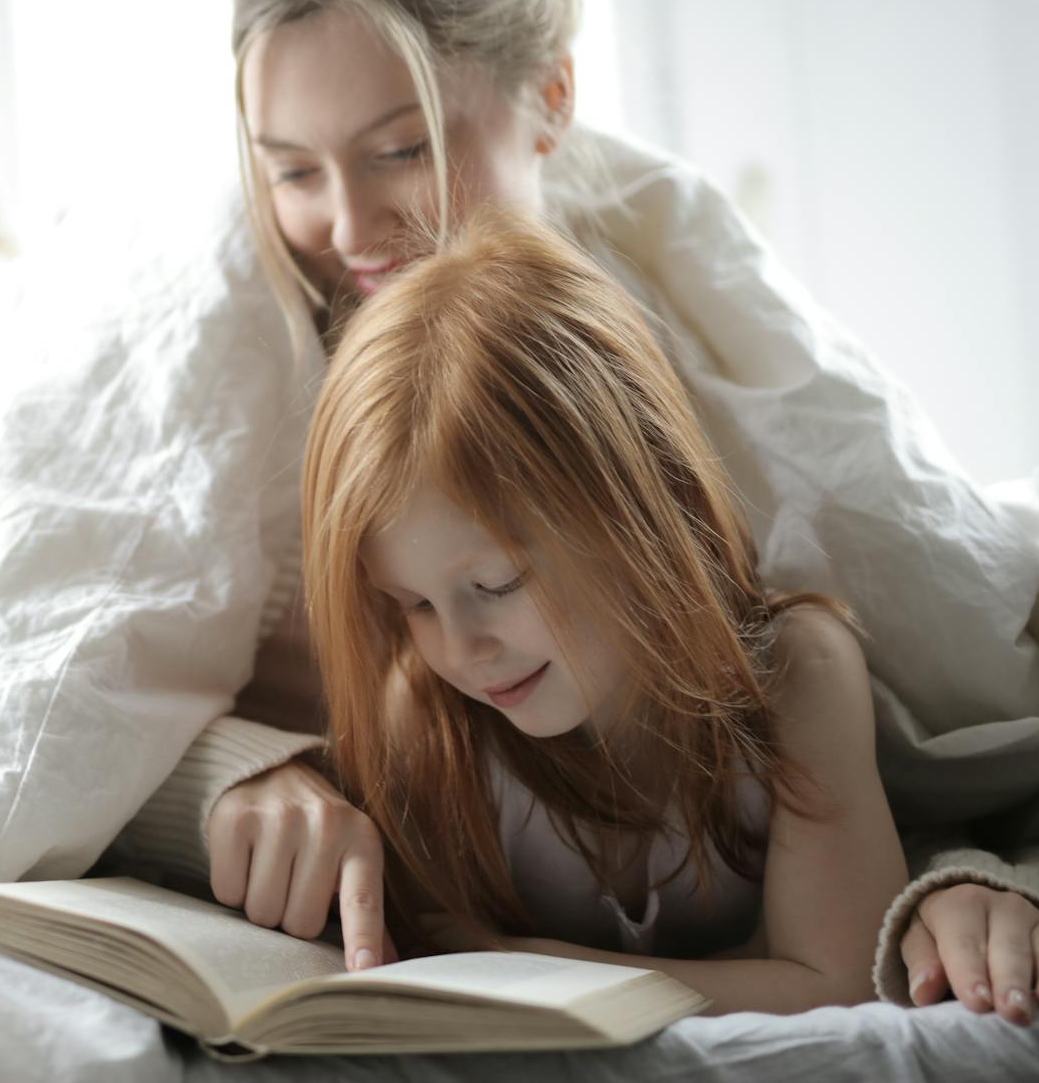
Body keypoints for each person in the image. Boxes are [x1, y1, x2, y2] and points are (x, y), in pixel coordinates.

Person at [111, 0, 1039, 1020]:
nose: (343, 228)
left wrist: (978, 872)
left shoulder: (754, 588)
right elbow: (73, 729)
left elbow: (946, 770)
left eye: (400, 148)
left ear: (550, 98)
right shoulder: (418, 683)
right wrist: (232, 780)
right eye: (288, 170)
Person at [303, 211, 906, 1009]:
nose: (461, 647)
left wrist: (535, 962)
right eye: (412, 603)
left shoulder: (799, 673)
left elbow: (843, 984)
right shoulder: (428, 722)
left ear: (635, 506)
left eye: (498, 584)